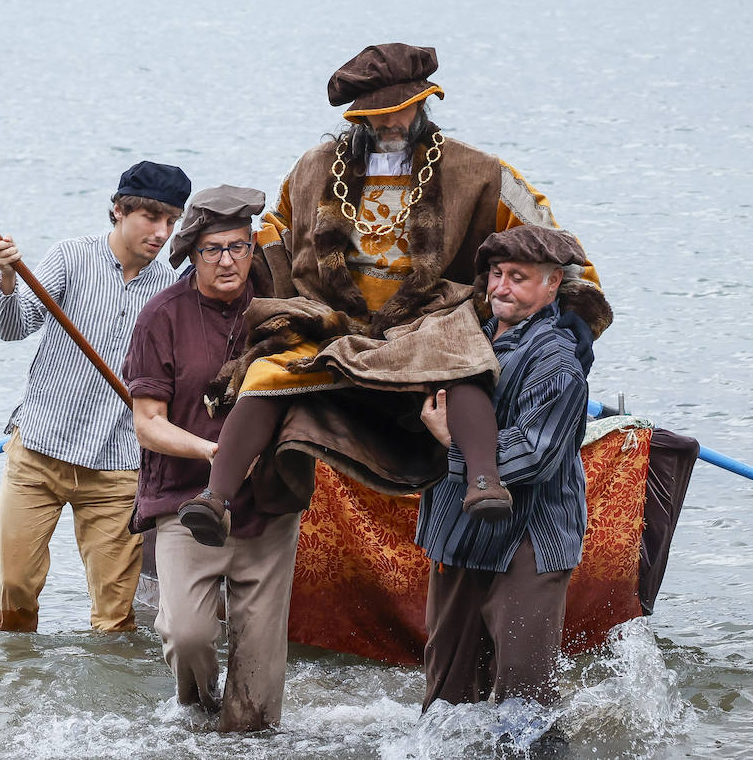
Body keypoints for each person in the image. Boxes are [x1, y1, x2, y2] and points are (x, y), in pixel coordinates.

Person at [178, 43, 610, 546]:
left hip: (425, 316)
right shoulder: (315, 168)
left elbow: (547, 240)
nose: (389, 125)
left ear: (422, 104)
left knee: (462, 358)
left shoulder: (476, 171)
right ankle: (216, 498)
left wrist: (576, 316)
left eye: (399, 111)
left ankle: (484, 482)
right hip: (337, 317)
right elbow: (277, 232)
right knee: (269, 370)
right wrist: (231, 274)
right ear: (357, 119)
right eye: (375, 117)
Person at [123, 185, 304, 732]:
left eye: (239, 247)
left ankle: (247, 734)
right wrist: (213, 451)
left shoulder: (283, 309)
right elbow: (147, 425)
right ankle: (197, 716)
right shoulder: (163, 316)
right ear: (192, 254)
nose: (228, 261)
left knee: (259, 671)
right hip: (185, 502)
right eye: (213, 250)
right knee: (187, 633)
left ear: (254, 248)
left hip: (270, 505)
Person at [0, 160, 191, 633]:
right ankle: (14, 683)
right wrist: (9, 279)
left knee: (115, 615)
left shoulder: (172, 290)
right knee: (14, 588)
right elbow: (14, 328)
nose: (161, 232)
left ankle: (109, 703)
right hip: (38, 451)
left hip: (118, 468)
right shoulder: (70, 257)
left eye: (171, 222)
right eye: (151, 217)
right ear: (119, 210)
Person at [415, 224, 594, 725]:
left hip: (531, 541)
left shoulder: (558, 362)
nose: (500, 288)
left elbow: (536, 455)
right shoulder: (459, 337)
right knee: (444, 706)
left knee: (524, 707)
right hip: (459, 529)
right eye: (496, 274)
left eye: (518, 277)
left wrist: (452, 442)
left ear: (553, 283)